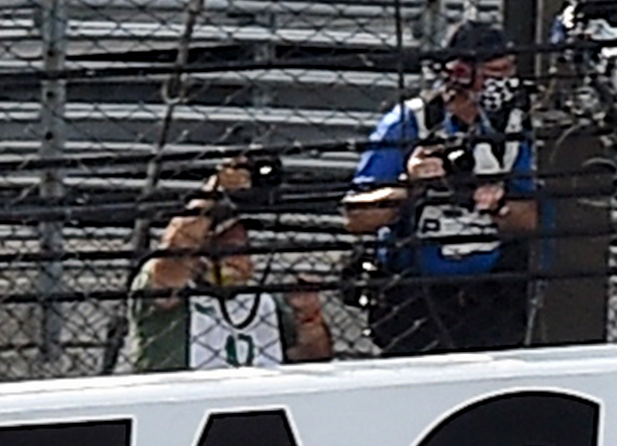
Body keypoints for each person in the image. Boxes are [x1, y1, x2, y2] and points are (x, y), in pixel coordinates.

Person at [343, 25, 545, 355]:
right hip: (414, 294)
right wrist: (411, 185)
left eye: (509, 71)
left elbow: (529, 220)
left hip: (490, 296)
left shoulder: (511, 126)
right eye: (495, 73)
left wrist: (496, 204)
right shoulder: (411, 122)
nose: (506, 82)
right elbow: (356, 217)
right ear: (462, 74)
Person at [117, 151, 331, 377]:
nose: (241, 258)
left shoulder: (266, 303)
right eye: (230, 249)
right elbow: (176, 249)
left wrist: (309, 320)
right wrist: (215, 189)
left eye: (244, 248)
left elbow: (313, 359)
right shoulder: (172, 294)